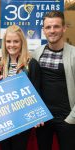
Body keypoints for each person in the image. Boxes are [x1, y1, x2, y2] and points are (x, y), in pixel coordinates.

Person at [0, 24, 41, 150]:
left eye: (16, 41)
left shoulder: (31, 64)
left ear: (22, 42)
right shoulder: (1, 64)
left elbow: (36, 90)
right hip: (4, 119)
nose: (11, 45)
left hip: (22, 119)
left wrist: (37, 115)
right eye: (8, 41)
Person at [32, 10, 75, 150]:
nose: (52, 31)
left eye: (56, 26)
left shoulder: (73, 54)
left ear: (64, 28)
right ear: (43, 30)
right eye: (48, 27)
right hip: (43, 119)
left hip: (68, 119)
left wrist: (71, 118)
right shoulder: (37, 53)